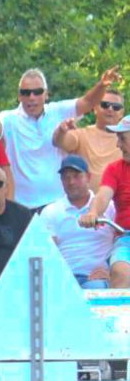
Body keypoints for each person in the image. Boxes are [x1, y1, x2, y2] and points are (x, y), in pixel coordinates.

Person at [0, 67, 119, 210]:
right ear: (19, 96)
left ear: (46, 94)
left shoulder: (58, 110)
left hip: (57, 205)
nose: (31, 97)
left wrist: (102, 84)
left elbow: (88, 102)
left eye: (37, 92)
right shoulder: (8, 118)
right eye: (26, 92)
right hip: (22, 207)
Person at [39, 155, 116, 288]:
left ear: (88, 177)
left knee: (95, 289)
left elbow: (122, 243)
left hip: (95, 279)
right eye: (66, 177)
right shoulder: (50, 211)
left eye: (76, 176)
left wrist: (111, 272)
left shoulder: (109, 207)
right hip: (62, 280)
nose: (71, 182)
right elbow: (44, 251)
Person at [79, 116, 130, 289]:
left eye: (122, 139)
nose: (118, 145)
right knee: (121, 271)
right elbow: (103, 196)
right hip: (127, 238)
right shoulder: (115, 169)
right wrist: (94, 213)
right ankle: (121, 316)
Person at [52, 88, 125, 191]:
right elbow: (60, 141)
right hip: (85, 204)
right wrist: (62, 130)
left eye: (116, 107)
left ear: (122, 112)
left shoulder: (126, 140)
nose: (110, 109)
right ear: (95, 108)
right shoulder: (81, 134)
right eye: (105, 105)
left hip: (118, 204)